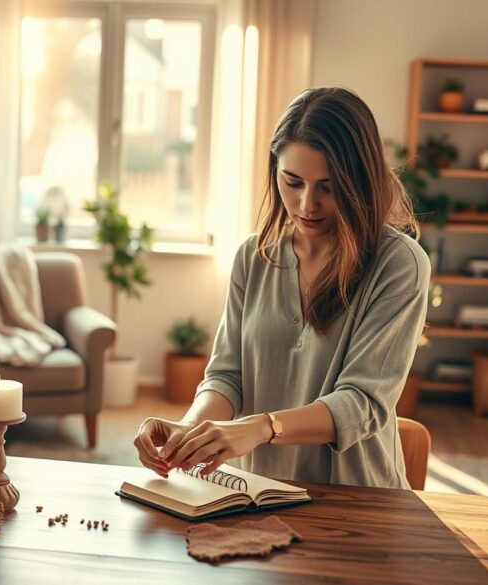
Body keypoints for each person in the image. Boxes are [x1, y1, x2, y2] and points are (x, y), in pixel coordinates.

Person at [133, 87, 430, 488]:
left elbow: (362, 402)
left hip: (356, 500)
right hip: (254, 494)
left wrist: (263, 426)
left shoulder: (399, 265)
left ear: (361, 181)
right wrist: (187, 429)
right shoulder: (252, 257)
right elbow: (227, 377)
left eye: (328, 186)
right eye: (293, 182)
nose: (308, 204)